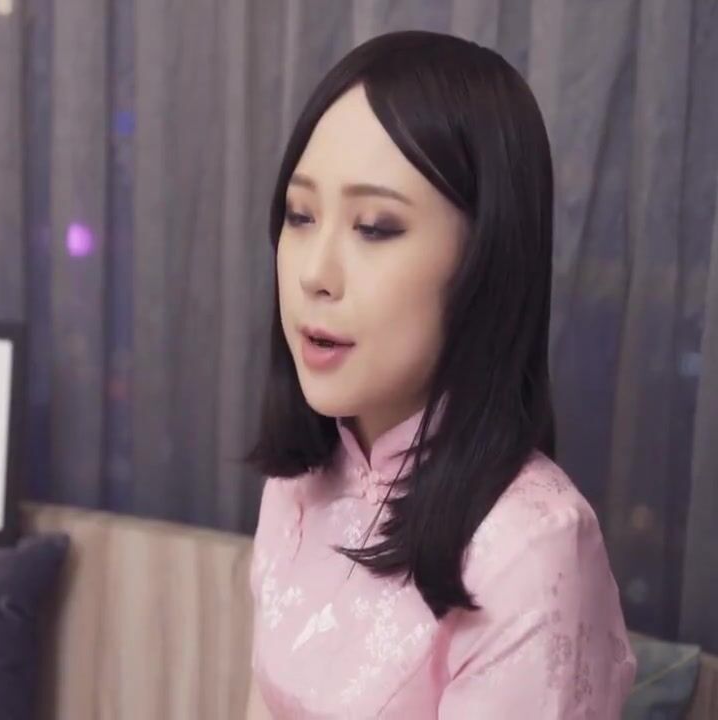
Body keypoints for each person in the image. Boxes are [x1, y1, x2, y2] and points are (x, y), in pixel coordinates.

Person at [244, 30, 636, 719]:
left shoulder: (530, 548)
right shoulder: (300, 478)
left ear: (484, 260)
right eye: (300, 216)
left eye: (374, 227)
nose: (314, 273)